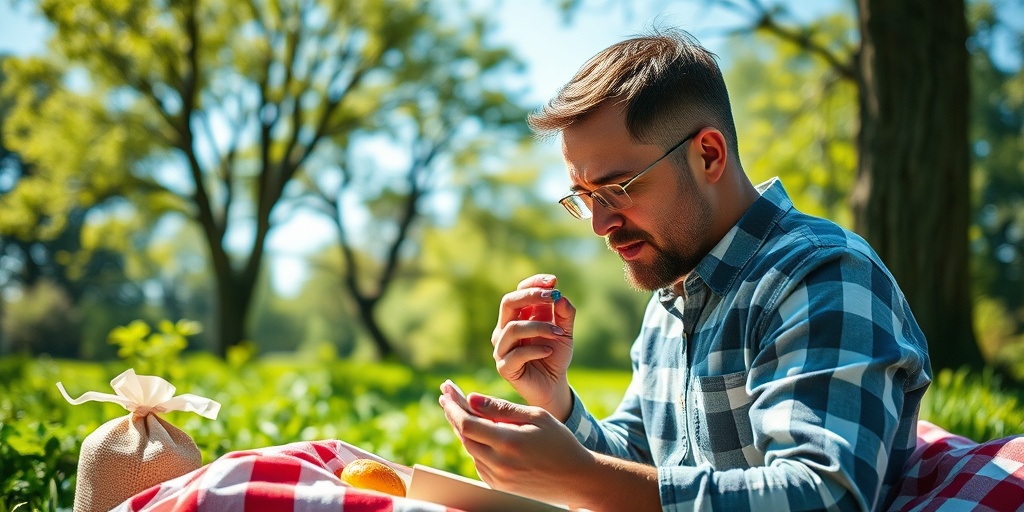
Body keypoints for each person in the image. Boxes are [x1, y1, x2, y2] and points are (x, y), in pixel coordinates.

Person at [438, 28, 931, 512]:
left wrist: (582, 479)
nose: (601, 224)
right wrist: (556, 400)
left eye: (619, 189)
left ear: (709, 155)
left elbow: (826, 497)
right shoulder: (671, 297)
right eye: (586, 199)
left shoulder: (822, 275)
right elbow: (638, 464)